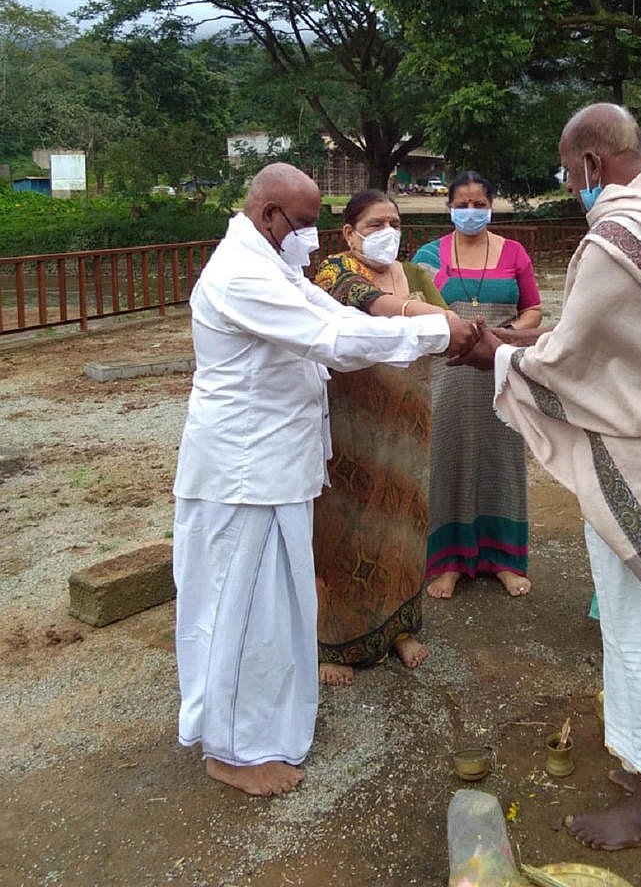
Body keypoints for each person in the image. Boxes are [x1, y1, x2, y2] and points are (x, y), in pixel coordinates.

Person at [452, 105, 641, 851]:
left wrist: (495, 353)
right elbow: (622, 341)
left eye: (567, 169)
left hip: (640, 468)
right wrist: (528, 342)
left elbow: (568, 363)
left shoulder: (612, 241)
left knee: (639, 630)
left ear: (589, 163)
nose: (566, 182)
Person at [172, 163, 477, 797]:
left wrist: (431, 330)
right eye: (306, 225)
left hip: (277, 469)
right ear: (269, 216)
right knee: (240, 609)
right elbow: (332, 336)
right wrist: (434, 328)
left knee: (279, 609)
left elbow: (343, 318)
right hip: (242, 474)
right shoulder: (241, 274)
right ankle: (228, 751)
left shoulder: (276, 265)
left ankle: (266, 730)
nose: (312, 241)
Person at [312, 190, 449, 686]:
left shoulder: (416, 276)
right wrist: (430, 319)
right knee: (344, 529)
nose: (387, 231)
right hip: (352, 423)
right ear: (348, 232)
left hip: (409, 422)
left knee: (404, 521)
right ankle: (336, 641)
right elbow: (381, 310)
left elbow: (448, 331)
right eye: (374, 224)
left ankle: (400, 629)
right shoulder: (333, 273)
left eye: (394, 221)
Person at [412, 170, 542, 599]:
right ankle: (447, 562)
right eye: (463, 204)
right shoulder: (429, 255)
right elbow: (416, 310)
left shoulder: (514, 252)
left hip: (501, 366)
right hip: (448, 370)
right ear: (449, 207)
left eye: (479, 204)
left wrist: (506, 335)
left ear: (491, 205)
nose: (471, 212)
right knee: (448, 456)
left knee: (501, 457)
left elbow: (534, 310)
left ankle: (504, 560)